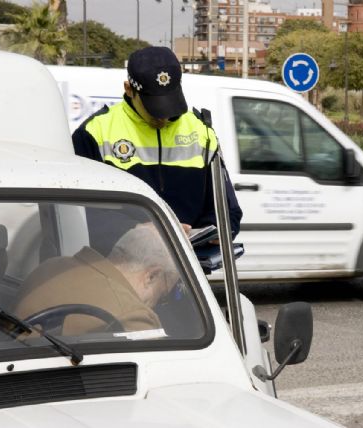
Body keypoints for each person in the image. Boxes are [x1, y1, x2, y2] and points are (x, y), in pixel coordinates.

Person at [72, 46, 242, 250]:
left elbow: (228, 210)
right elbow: (79, 214)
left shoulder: (202, 132)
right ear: (129, 89)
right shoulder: (94, 133)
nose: (163, 116)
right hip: (119, 263)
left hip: (188, 264)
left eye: (170, 104)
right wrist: (140, 232)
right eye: (154, 108)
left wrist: (216, 230)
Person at [14, 225, 177, 336]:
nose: (155, 305)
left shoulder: (51, 267)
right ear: (151, 276)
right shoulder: (134, 315)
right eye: (162, 296)